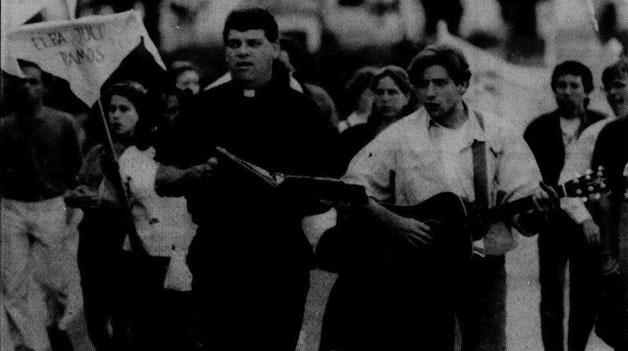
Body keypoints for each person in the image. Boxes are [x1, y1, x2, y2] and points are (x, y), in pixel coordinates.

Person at [322, 44, 556, 350]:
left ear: (462, 85)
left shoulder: (499, 133)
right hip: (420, 267)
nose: (430, 93)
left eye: (440, 83)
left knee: (487, 345)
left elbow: (523, 202)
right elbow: (353, 184)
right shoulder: (400, 135)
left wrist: (537, 212)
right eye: (422, 84)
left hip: (483, 268)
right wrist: (395, 223)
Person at [154, 7, 337, 351]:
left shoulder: (303, 111)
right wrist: (192, 174)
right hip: (219, 254)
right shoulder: (202, 107)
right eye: (234, 44)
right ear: (225, 50)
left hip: (280, 256)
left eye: (253, 43)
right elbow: (163, 180)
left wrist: (297, 189)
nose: (242, 51)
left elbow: (326, 192)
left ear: (273, 47)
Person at [69, 81, 197, 351]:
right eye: (111, 109)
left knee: (131, 318)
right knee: (96, 317)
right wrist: (79, 195)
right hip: (95, 240)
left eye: (124, 109)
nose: (115, 115)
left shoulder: (151, 152)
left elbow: (159, 191)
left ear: (141, 112)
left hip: (131, 242)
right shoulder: (97, 152)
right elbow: (83, 185)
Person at [523, 60, 608, 351]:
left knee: (586, 295)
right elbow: (524, 173)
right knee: (551, 296)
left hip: (590, 222)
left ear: (587, 91)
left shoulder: (601, 126)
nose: (567, 92)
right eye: (561, 85)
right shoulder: (538, 129)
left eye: (574, 86)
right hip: (551, 223)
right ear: (553, 89)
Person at [0, 62, 83, 351]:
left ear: (45, 85)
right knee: (13, 284)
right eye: (21, 81)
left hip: (50, 206)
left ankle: (58, 328)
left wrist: (69, 200)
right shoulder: (4, 127)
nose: (27, 87)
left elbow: (75, 167)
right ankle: (28, 344)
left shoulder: (62, 122)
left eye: (34, 81)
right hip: (13, 208)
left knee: (57, 282)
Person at [591, 56, 628, 350]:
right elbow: (602, 198)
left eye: (620, 84)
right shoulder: (613, 133)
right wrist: (608, 252)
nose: (614, 94)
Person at [337, 65, 416, 170]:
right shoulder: (352, 136)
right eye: (379, 92)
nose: (385, 98)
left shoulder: (418, 137)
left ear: (406, 97)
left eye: (392, 92)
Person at [337, 66, 378, 132]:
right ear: (358, 97)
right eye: (370, 94)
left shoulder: (386, 127)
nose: (377, 99)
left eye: (378, 93)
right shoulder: (342, 128)